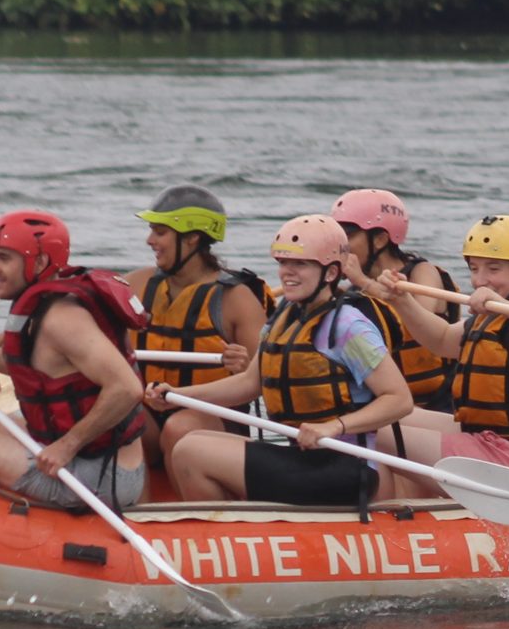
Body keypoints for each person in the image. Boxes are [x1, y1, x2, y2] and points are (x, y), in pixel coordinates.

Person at [148, 215, 413, 505]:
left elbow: (399, 399)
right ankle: (234, 532)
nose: (287, 272)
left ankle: (229, 537)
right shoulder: (284, 316)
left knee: (191, 453)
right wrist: (177, 395)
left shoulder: (349, 326)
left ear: (330, 272)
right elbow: (250, 383)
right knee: (191, 442)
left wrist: (335, 426)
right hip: (302, 459)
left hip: (345, 468)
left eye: (300, 264)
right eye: (283, 263)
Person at [0, 210, 151, 512]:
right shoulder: (48, 307)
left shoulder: (63, 319)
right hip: (101, 466)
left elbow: (126, 388)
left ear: (39, 263)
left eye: (4, 258)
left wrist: (67, 445)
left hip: (100, 479)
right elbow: (35, 367)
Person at [371, 214, 509, 494]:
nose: (479, 280)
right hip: (488, 440)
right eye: (474, 268)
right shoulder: (492, 316)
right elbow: (441, 340)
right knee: (376, 414)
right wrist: (403, 301)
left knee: (368, 433)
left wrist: (498, 302)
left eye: (493, 269)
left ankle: (382, 513)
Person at [124, 183, 270, 465]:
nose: (150, 240)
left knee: (179, 428)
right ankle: (130, 501)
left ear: (192, 238)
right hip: (150, 415)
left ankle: (195, 501)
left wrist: (246, 365)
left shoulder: (237, 299)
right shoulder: (135, 284)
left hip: (214, 420)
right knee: (116, 414)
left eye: (160, 232)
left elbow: (267, 378)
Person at [332, 187, 459, 412]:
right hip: (387, 405)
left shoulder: (422, 272)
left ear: (380, 239)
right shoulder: (354, 293)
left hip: (438, 406)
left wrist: (362, 281)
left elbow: (420, 321)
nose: (341, 246)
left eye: (348, 236)